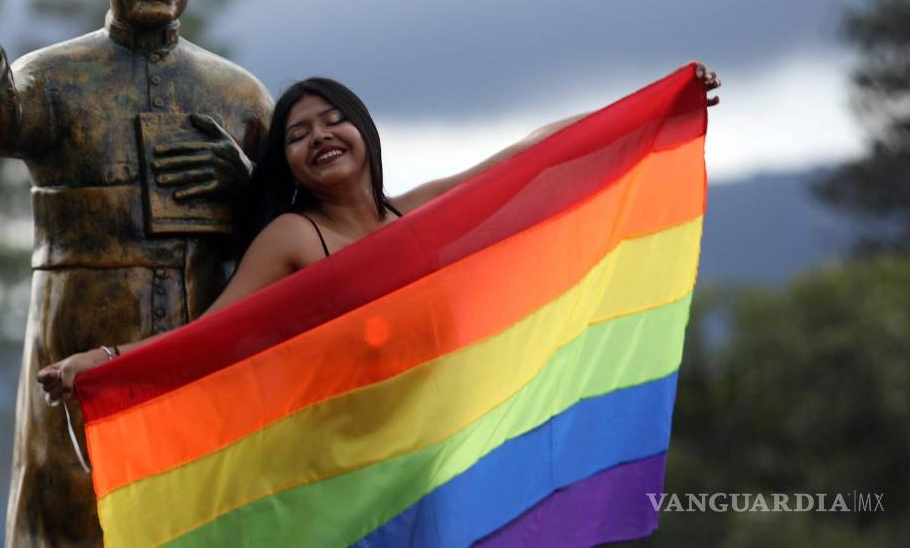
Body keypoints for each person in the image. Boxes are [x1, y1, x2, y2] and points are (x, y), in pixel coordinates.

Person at [38, 66, 721, 401]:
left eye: (334, 119)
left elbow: (524, 157)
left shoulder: (413, 217)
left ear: (364, 131)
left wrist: (651, 108)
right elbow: (210, 338)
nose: (320, 136)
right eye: (299, 134)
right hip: (343, 469)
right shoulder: (293, 236)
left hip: (436, 448)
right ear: (290, 164)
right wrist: (105, 358)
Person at [0, 0, 273, 546]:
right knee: (70, 524)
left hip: (200, 354)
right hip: (77, 353)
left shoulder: (241, 95)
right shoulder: (55, 76)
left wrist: (250, 186)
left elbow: (295, 228)